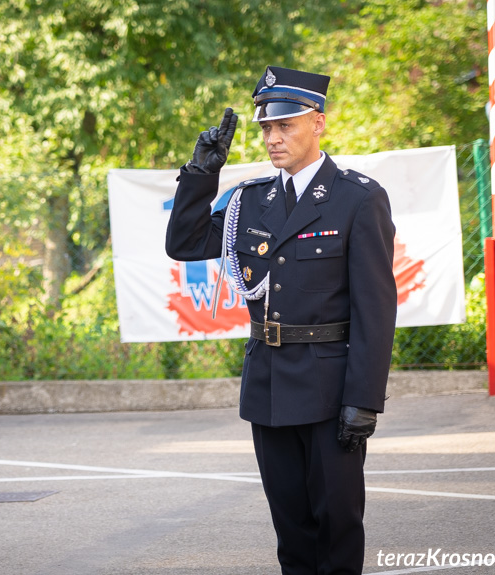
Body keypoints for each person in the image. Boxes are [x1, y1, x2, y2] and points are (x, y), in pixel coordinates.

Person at [165, 66, 397, 574]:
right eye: (266, 127)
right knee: (290, 530)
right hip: (269, 385)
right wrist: (201, 173)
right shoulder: (250, 201)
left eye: (285, 125)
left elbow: (376, 309)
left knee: (336, 524)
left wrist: (363, 400)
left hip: (330, 388)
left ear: (318, 123)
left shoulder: (357, 198)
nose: (273, 138)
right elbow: (182, 243)